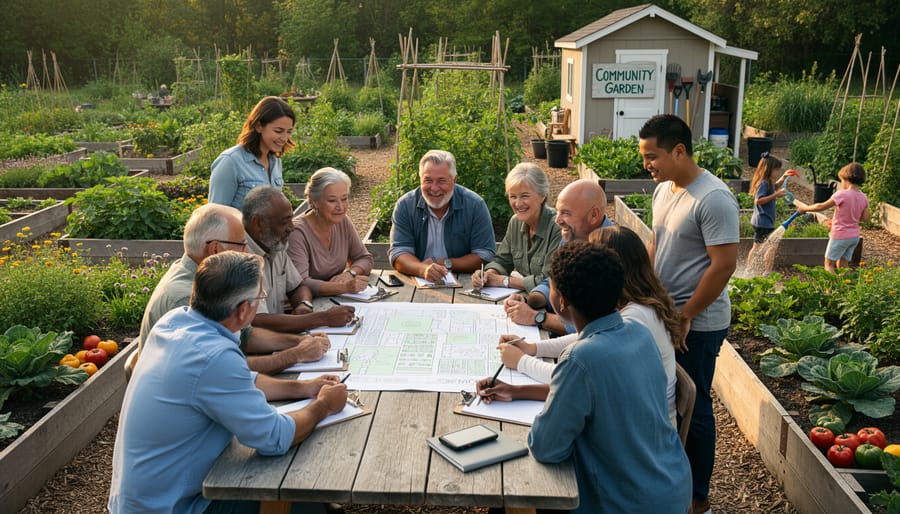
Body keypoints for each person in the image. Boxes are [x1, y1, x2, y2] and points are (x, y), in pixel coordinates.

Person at [109, 251, 348, 514]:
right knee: (301, 492)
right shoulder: (214, 356)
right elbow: (276, 438)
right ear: (244, 309)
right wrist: (323, 405)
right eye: (260, 299)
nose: (260, 304)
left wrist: (303, 387)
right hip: (175, 506)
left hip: (143, 497)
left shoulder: (175, 322)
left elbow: (239, 381)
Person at [527, 240, 692, 514]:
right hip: (673, 486)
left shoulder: (579, 359)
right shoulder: (638, 333)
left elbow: (546, 447)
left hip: (625, 503)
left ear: (561, 301)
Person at [478, 226, 682, 428]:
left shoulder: (633, 318)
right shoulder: (634, 304)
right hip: (630, 415)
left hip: (642, 428)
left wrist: (521, 361)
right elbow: (586, 341)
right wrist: (533, 349)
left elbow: (572, 376)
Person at [639, 114, 739, 514]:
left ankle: (699, 499)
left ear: (680, 151)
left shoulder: (713, 198)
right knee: (667, 400)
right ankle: (669, 481)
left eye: (653, 155)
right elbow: (655, 244)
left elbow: (724, 265)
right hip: (668, 314)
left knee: (694, 406)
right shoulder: (664, 190)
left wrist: (687, 313)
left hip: (698, 323)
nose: (648, 164)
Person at [135, 203, 330, 375]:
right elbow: (221, 370)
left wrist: (299, 342)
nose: (247, 253)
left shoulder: (204, 276)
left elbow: (246, 335)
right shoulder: (185, 299)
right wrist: (294, 355)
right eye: (242, 245)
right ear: (215, 250)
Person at [502, 178, 613, 335]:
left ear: (594, 215)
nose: (558, 220)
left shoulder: (612, 254)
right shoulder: (573, 235)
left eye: (566, 213)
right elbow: (553, 280)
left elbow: (594, 326)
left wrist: (536, 317)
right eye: (558, 211)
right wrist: (530, 300)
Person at [242, 186, 357, 333]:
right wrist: (324, 318)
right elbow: (259, 320)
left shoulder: (274, 244)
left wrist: (304, 304)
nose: (292, 227)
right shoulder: (241, 257)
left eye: (291, 219)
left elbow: (297, 286)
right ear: (258, 223)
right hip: (257, 346)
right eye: (284, 222)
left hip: (276, 337)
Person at [389, 149, 495, 281]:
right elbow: (399, 253)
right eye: (428, 180)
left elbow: (484, 255)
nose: (434, 188)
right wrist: (424, 270)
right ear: (420, 179)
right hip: (418, 280)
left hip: (466, 281)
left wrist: (444, 263)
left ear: (454, 179)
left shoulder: (474, 205)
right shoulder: (405, 205)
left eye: (441, 181)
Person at [471, 163, 562, 293]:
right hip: (525, 297)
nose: (518, 204)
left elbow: (549, 281)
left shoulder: (557, 227)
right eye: (513, 196)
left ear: (542, 196)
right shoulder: (515, 222)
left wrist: (504, 281)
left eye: (525, 196)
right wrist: (487, 275)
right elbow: (502, 260)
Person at [287, 167, 373, 297]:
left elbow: (364, 258)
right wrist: (344, 287)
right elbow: (301, 284)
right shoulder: (296, 233)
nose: (340, 207)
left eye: (344, 199)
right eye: (332, 200)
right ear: (314, 201)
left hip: (335, 299)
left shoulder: (343, 222)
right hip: (306, 305)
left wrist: (350, 273)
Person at [209, 96, 295, 209]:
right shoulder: (230, 162)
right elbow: (216, 214)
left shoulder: (275, 161)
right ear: (259, 126)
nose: (284, 138)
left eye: (289, 132)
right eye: (278, 131)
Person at [797, 162, 869, 273]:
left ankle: (830, 289)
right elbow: (865, 218)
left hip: (840, 235)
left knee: (829, 264)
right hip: (854, 236)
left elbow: (820, 206)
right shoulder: (864, 197)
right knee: (843, 264)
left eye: (841, 181)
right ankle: (845, 287)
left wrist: (805, 208)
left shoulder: (842, 194)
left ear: (846, 179)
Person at [746, 152, 793, 273]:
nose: (777, 173)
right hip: (763, 222)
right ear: (768, 169)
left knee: (760, 247)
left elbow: (775, 187)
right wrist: (776, 195)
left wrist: (783, 177)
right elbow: (758, 201)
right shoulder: (764, 183)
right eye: (776, 170)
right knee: (768, 247)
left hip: (764, 221)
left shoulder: (769, 181)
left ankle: (752, 269)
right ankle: (764, 272)